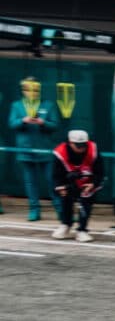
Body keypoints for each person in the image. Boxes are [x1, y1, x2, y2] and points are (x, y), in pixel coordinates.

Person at [7, 77, 59, 221]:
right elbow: (12, 124)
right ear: (23, 91)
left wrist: (43, 123)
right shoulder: (17, 105)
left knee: (52, 180)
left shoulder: (48, 105)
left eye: (36, 90)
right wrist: (22, 120)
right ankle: (34, 210)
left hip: (45, 149)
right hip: (25, 150)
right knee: (31, 182)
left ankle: (61, 210)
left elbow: (55, 125)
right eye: (29, 90)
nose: (33, 93)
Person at [51, 129, 105, 242]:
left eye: (84, 145)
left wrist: (93, 184)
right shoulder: (60, 153)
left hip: (88, 181)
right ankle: (65, 225)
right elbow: (56, 173)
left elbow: (100, 171)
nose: (81, 148)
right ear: (70, 143)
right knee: (66, 201)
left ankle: (82, 230)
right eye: (78, 145)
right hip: (69, 181)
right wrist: (60, 186)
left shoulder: (93, 150)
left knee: (86, 203)